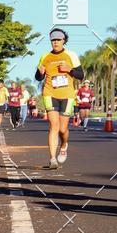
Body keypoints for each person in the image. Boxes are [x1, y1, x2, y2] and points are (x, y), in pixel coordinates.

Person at [35, 29, 84, 169]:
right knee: (53, 126)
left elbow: (81, 75)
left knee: (63, 129)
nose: (55, 42)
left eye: (58, 40)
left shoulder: (71, 55)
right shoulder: (45, 56)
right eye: (53, 40)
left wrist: (70, 69)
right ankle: (52, 159)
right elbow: (38, 77)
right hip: (50, 93)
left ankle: (63, 145)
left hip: (67, 95)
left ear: (64, 41)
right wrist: (40, 73)